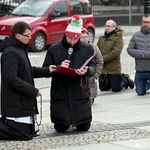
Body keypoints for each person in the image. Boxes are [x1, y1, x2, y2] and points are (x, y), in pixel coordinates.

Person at [42, 15, 96, 133]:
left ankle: (80, 121)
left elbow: (93, 67)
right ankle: (63, 121)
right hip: (60, 89)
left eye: (76, 39)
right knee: (61, 128)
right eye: (70, 38)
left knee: (84, 127)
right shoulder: (54, 48)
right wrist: (58, 68)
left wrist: (87, 70)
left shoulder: (87, 48)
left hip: (80, 89)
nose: (72, 42)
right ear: (66, 34)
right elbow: (45, 69)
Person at [0, 21, 52, 141]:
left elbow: (27, 70)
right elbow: (11, 79)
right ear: (18, 36)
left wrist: (48, 70)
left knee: (27, 134)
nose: (30, 38)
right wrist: (33, 91)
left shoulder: (20, 49)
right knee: (23, 135)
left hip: (22, 102)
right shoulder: (11, 52)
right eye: (27, 35)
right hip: (16, 103)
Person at [97, 19, 134, 92]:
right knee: (103, 88)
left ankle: (125, 79)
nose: (106, 28)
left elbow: (115, 53)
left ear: (114, 27)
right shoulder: (101, 38)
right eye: (106, 26)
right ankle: (113, 81)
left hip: (114, 69)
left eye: (109, 26)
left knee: (116, 88)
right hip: (103, 69)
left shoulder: (118, 38)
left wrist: (102, 59)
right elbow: (97, 50)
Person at [127, 14, 150, 96]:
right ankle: (147, 84)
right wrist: (141, 54)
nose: (145, 24)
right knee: (140, 92)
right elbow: (129, 49)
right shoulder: (136, 35)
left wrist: (145, 54)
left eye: (147, 22)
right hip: (140, 70)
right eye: (144, 22)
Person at [80, 28, 103, 104]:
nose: (84, 39)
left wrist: (96, 75)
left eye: (86, 36)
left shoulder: (94, 47)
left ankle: (91, 98)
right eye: (82, 37)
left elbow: (99, 62)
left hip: (90, 77)